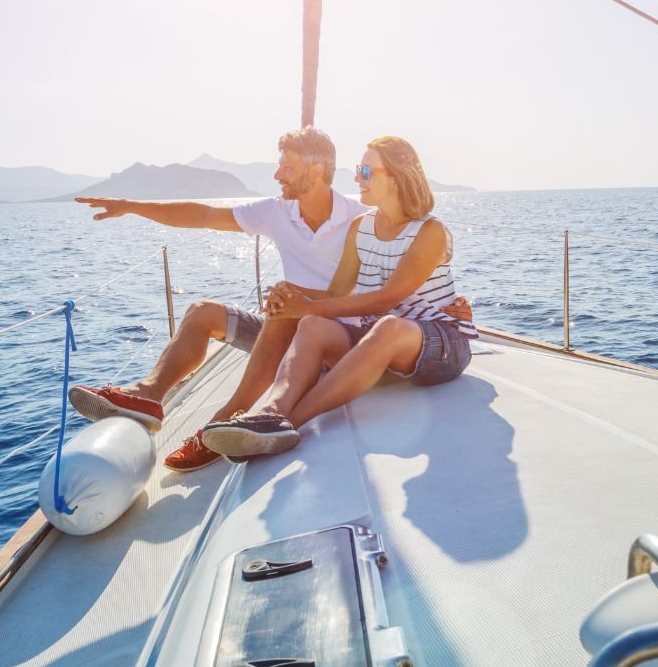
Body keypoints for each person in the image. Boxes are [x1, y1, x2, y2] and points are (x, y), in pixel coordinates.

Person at [71, 127, 367, 471]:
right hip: (286, 332)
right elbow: (204, 215)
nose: (277, 175)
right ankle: (148, 395)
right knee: (203, 312)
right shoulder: (278, 211)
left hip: (334, 346)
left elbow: (392, 285)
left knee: (284, 307)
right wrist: (132, 207)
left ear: (316, 172)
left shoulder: (361, 218)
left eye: (287, 167)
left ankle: (225, 420)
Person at [200, 135, 476, 460]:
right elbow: (335, 293)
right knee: (313, 324)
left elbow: (386, 299)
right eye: (358, 169)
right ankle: (272, 411)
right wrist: (293, 296)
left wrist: (307, 304)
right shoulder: (361, 226)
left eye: (366, 171)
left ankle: (288, 423)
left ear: (397, 176)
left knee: (388, 326)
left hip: (440, 346)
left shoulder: (430, 231)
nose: (357, 178)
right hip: (379, 344)